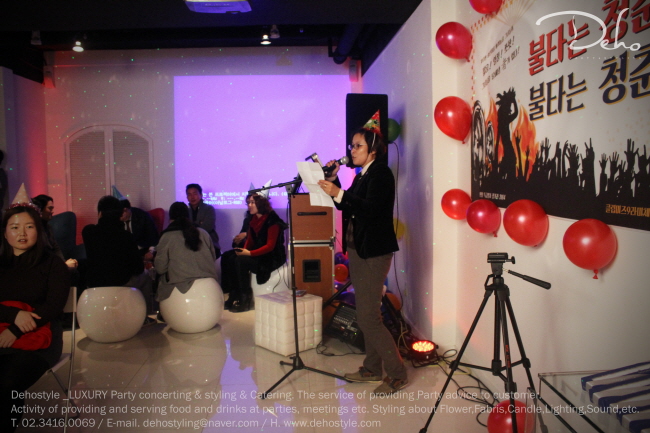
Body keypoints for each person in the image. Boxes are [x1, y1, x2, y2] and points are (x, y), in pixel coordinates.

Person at [318, 127, 407, 396]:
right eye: (352, 145)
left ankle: (397, 374)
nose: (352, 150)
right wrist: (334, 182)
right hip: (358, 251)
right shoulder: (362, 175)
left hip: (374, 253)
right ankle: (371, 368)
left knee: (368, 318)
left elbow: (371, 209)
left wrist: (339, 192)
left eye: (357, 146)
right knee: (367, 314)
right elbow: (346, 204)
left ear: (373, 150)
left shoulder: (381, 173)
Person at [0, 204, 70, 432]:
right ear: (5, 232)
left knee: (8, 382)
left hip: (41, 337)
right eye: (14, 227)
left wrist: (16, 329)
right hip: (1, 332)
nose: (22, 233)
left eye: (29, 227)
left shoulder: (53, 264)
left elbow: (53, 307)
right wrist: (14, 315)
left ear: (39, 231)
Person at [82, 196, 153, 313]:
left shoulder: (88, 232)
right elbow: (138, 268)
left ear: (100, 213)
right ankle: (145, 314)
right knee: (146, 276)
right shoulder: (127, 236)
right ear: (120, 215)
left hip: (95, 283)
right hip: (121, 282)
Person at [229, 193, 287, 313]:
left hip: (271, 257)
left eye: (252, 202)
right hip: (259, 253)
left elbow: (270, 247)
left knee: (240, 261)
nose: (249, 205)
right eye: (248, 203)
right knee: (228, 257)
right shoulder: (253, 219)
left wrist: (249, 254)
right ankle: (234, 294)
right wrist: (244, 250)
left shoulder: (273, 221)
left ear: (260, 203)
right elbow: (250, 240)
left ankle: (245, 298)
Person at [154, 202, 218, 303]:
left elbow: (160, 268)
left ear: (170, 218)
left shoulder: (167, 236)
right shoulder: (204, 233)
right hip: (210, 286)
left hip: (180, 290)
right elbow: (212, 258)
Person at [31, 194, 78, 269]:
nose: (52, 211)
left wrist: (63, 263)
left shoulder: (48, 227)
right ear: (40, 209)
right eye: (50, 208)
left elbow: (56, 248)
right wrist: (63, 266)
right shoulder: (34, 230)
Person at [221, 212, 252, 303]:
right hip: (246, 247)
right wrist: (237, 241)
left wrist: (246, 234)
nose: (250, 206)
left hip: (256, 249)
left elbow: (261, 236)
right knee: (226, 256)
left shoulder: (266, 219)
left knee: (235, 259)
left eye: (252, 204)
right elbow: (240, 238)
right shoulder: (248, 220)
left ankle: (242, 294)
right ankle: (230, 291)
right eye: (248, 204)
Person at [186, 183, 221, 258]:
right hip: (189, 243)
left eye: (195, 194)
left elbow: (207, 227)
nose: (192, 197)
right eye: (189, 194)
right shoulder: (185, 210)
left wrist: (192, 227)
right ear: (187, 197)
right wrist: (199, 223)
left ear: (201, 195)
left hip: (208, 242)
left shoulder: (209, 209)